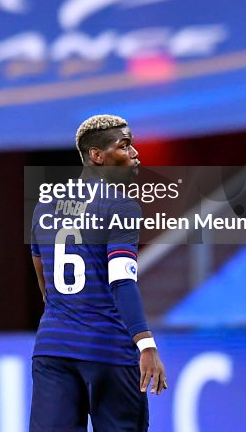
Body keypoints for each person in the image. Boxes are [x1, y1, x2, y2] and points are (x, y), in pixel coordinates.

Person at [29, 114, 166, 432]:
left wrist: (65, 317)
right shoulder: (120, 206)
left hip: (53, 349)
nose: (135, 154)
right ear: (97, 155)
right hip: (108, 350)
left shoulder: (44, 205)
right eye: (125, 145)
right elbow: (122, 280)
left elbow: (43, 277)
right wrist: (145, 344)